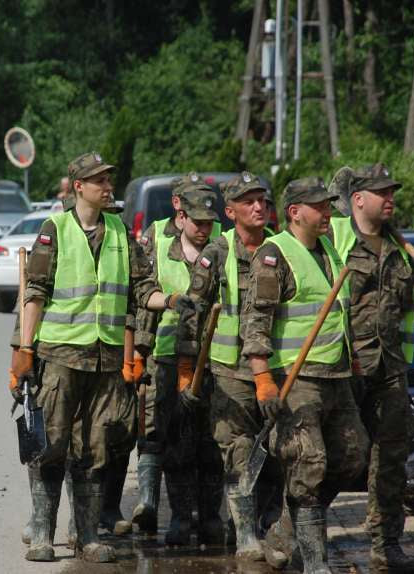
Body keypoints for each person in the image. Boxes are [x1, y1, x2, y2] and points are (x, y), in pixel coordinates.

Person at [9, 151, 156, 563]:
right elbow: (34, 293)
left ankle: (87, 535)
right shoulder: (54, 229)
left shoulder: (120, 232)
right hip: (59, 356)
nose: (108, 187)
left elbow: (143, 288)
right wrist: (23, 350)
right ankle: (42, 530)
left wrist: (171, 299)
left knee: (95, 449)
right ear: (79, 187)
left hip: (105, 359)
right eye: (99, 182)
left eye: (109, 180)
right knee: (50, 444)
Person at [242, 177, 369, 574]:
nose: (328, 211)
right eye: (319, 205)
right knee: (309, 463)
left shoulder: (329, 249)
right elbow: (256, 321)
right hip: (297, 379)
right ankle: (315, 565)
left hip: (337, 375)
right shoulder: (274, 254)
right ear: (296, 212)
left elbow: (336, 313)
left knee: (352, 456)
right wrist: (263, 379)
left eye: (329, 204)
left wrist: (354, 359)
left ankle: (285, 525)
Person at [329, 164, 414, 572]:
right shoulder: (336, 242)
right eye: (382, 192)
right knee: (341, 455)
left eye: (392, 191)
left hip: (391, 367)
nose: (390, 198)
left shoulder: (398, 248)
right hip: (347, 366)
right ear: (359, 199)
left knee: (391, 457)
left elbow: (402, 302)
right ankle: (294, 530)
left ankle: (386, 544)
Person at [177, 171, 284, 563]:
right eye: (249, 201)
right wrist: (187, 368)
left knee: (276, 454)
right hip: (228, 374)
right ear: (231, 210)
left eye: (263, 201)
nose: (259, 207)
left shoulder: (281, 247)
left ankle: (270, 525)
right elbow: (193, 311)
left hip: (275, 371)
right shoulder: (216, 253)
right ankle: (244, 532)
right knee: (237, 452)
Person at [141, 183, 225, 546]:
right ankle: (178, 516)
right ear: (181, 217)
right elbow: (143, 296)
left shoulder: (224, 248)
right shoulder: (162, 246)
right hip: (169, 357)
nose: (205, 229)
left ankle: (210, 518)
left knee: (211, 443)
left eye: (210, 222)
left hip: (219, 358)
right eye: (197, 222)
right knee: (175, 439)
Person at [132, 171, 196, 535]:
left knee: (189, 433)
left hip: (203, 348)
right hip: (161, 345)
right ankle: (148, 504)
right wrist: (140, 349)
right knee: (152, 425)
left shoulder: (216, 236)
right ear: (177, 205)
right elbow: (144, 293)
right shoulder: (155, 235)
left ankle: (190, 515)